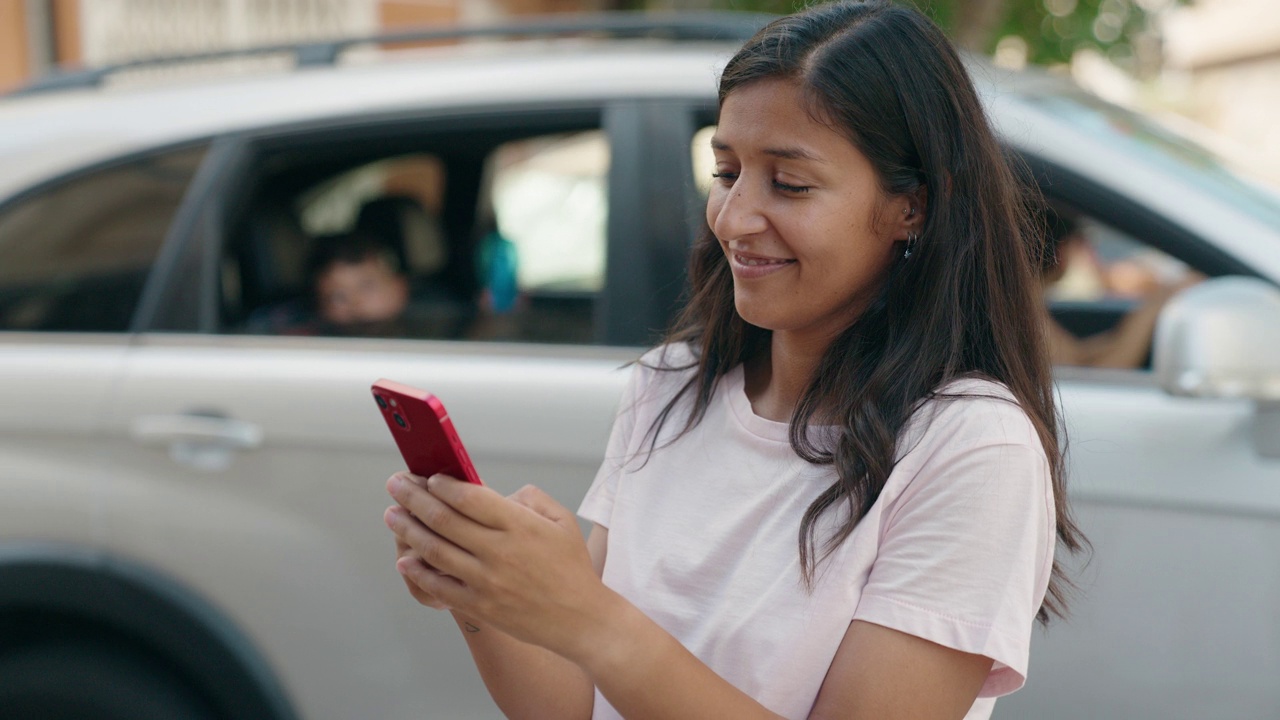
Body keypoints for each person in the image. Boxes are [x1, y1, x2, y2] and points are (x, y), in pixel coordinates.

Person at [382, 2, 1084, 718]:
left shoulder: (969, 447)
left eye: (790, 184)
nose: (735, 217)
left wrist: (585, 617)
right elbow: (575, 705)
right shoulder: (673, 385)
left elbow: (601, 643)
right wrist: (485, 595)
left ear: (912, 208)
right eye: (726, 171)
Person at [1040, 208, 1201, 368]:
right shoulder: (1027, 317)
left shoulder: (1032, 311)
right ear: (1061, 253)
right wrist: (1152, 309)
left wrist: (1156, 301)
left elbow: (1078, 356)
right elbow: (1094, 380)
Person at [306, 231, 411, 337]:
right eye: (338, 296)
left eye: (367, 287)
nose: (356, 304)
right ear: (321, 308)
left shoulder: (425, 338)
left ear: (400, 288)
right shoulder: (304, 345)